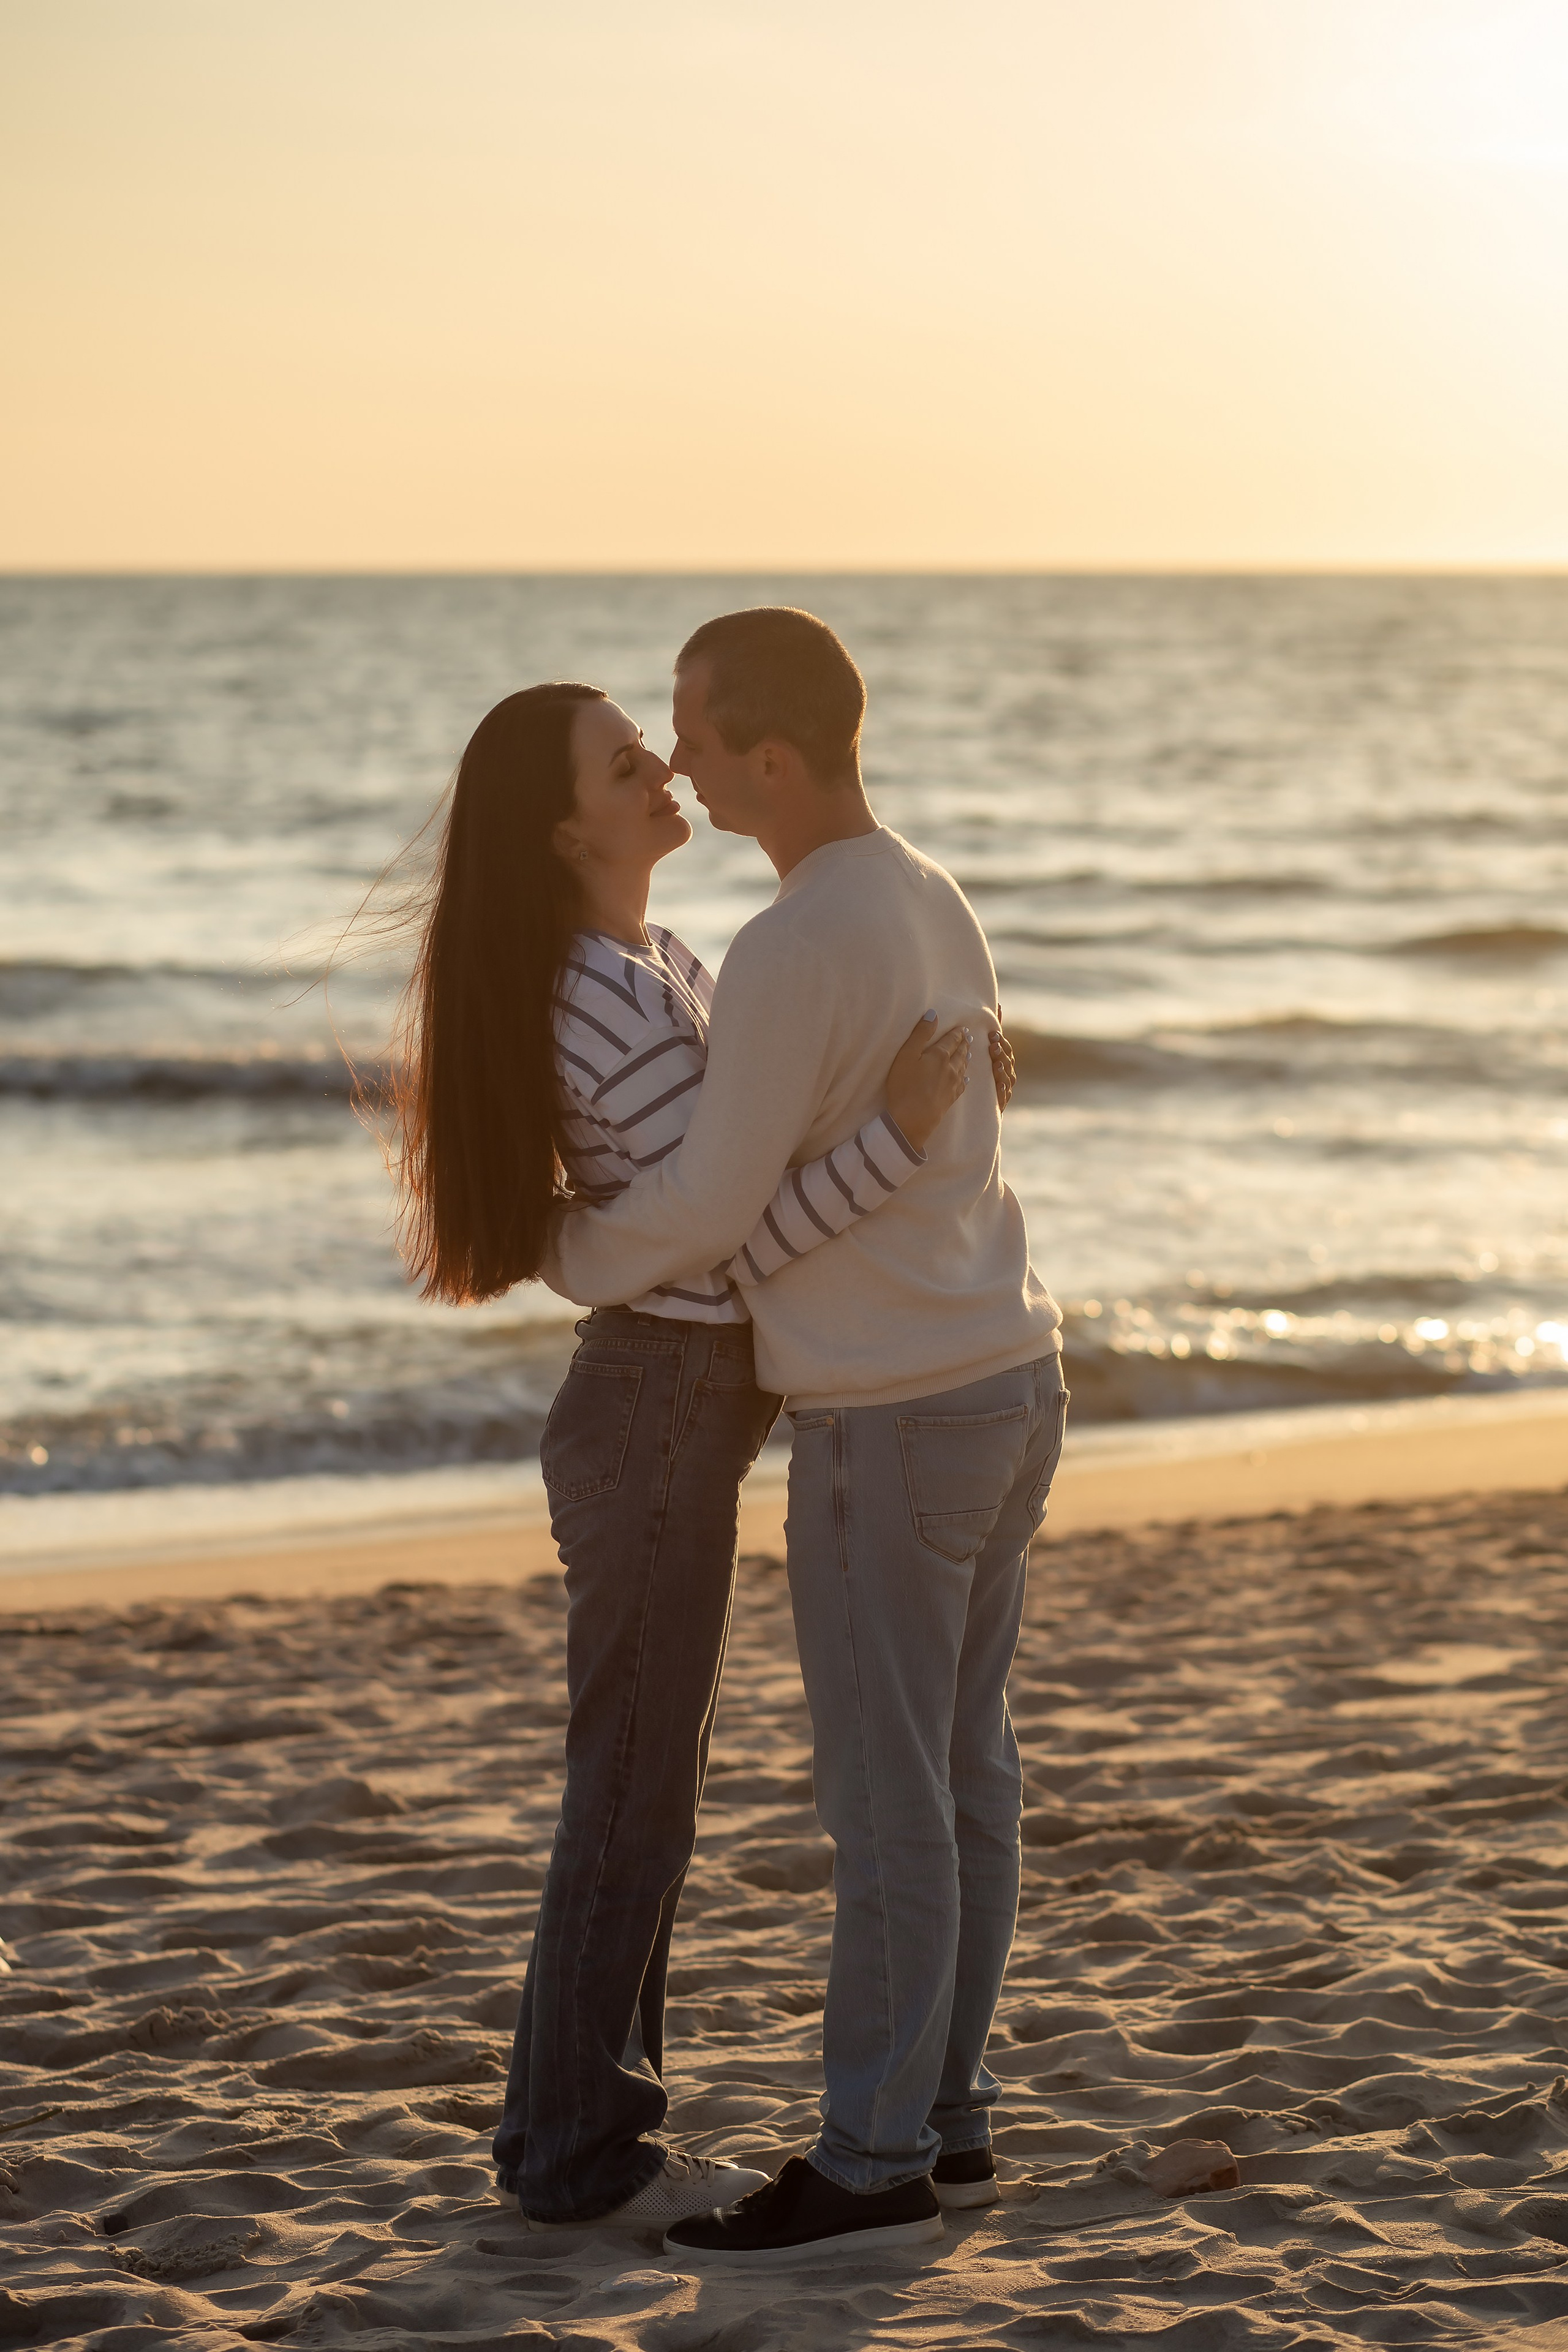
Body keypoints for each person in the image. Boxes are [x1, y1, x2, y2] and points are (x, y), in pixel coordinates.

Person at [390, 680, 999, 2233]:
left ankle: (581, 2127)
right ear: (561, 830)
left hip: (681, 1403)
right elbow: (728, 1238)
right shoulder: (596, 997)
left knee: (646, 1787)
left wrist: (916, 1082)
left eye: (652, 745)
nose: (661, 766)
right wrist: (896, 1137)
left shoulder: (656, 959)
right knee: (631, 1794)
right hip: (657, 1401)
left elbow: (744, 1163)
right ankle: (573, 2151)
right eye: (622, 763)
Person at [544, 609, 1066, 2265]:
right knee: (967, 1779)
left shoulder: (786, 947)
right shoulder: (927, 892)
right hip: (1008, 1377)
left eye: (696, 737)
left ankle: (872, 2159)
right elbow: (947, 1135)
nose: (680, 764)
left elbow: (714, 1218)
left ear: (771, 758)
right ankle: (947, 2122)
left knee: (890, 1801)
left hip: (891, 1419)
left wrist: (567, 1248)